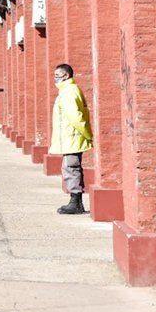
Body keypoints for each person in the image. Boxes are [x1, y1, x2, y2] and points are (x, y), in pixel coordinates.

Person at [50, 63, 94, 214]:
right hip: (70, 138)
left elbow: (76, 117)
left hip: (72, 137)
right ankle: (76, 202)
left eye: (57, 75)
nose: (55, 79)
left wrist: (87, 134)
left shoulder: (68, 92)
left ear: (66, 75)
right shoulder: (68, 90)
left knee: (71, 168)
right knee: (70, 168)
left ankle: (75, 202)